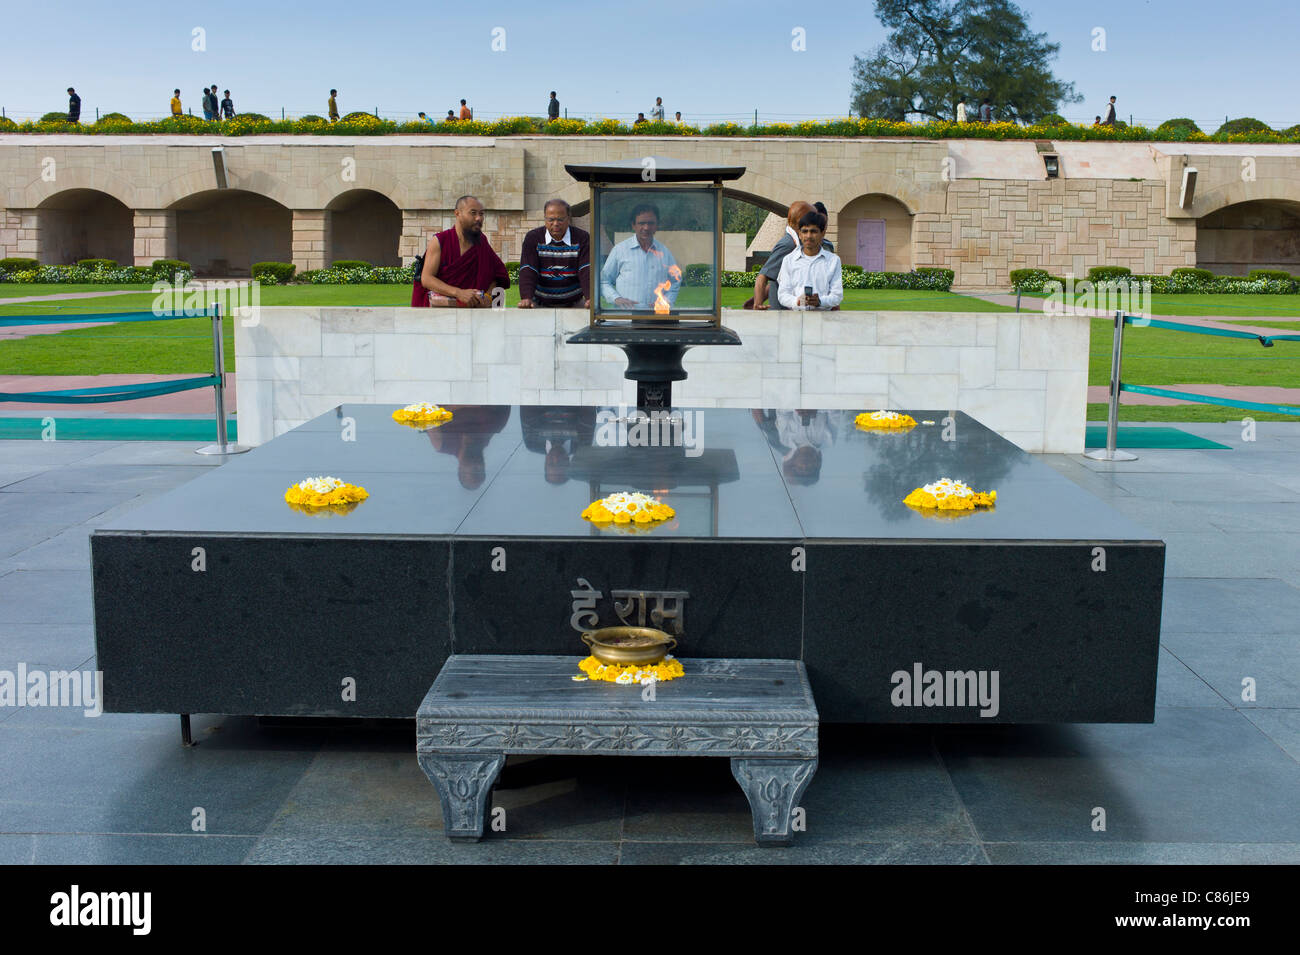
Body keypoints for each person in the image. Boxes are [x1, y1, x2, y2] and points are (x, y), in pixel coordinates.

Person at [413, 195, 510, 309]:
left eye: (481, 214)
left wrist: (488, 296)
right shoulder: (440, 241)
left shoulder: (481, 242)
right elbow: (427, 279)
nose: (478, 218)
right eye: (473, 213)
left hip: (475, 312)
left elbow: (499, 276)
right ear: (457, 213)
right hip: (442, 311)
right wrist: (459, 293)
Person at [754, 200, 833, 309]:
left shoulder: (801, 244)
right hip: (783, 315)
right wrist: (757, 304)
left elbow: (776, 278)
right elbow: (763, 276)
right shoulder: (788, 245)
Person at [599, 203, 679, 309]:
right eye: (641, 223)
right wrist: (615, 298)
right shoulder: (619, 250)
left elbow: (675, 281)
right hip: (625, 320)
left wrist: (666, 300)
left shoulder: (665, 252)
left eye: (650, 223)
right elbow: (603, 280)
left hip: (656, 318)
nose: (646, 227)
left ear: (656, 225)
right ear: (633, 225)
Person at [518, 199, 590, 308]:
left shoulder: (582, 238)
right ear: (545, 219)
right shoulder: (533, 238)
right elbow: (528, 269)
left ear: (568, 218)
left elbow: (586, 269)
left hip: (574, 303)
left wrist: (589, 298)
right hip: (539, 302)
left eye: (560, 219)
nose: (556, 224)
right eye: (551, 219)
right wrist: (526, 297)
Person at [777, 209, 843, 310]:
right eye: (805, 231)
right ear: (799, 234)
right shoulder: (789, 260)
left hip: (823, 319)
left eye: (813, 231)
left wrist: (820, 301)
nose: (808, 236)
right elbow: (783, 294)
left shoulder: (833, 261)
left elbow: (837, 296)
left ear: (822, 234)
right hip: (796, 318)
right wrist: (797, 301)